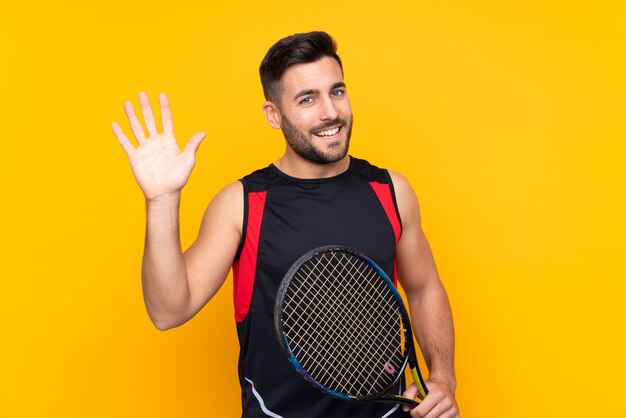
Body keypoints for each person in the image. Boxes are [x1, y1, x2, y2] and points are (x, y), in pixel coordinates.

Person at [112, 31, 459, 418]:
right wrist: (161, 201)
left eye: (337, 91)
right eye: (307, 99)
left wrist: (443, 377)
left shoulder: (390, 190)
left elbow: (425, 288)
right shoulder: (242, 204)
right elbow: (168, 310)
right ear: (273, 114)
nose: (330, 111)